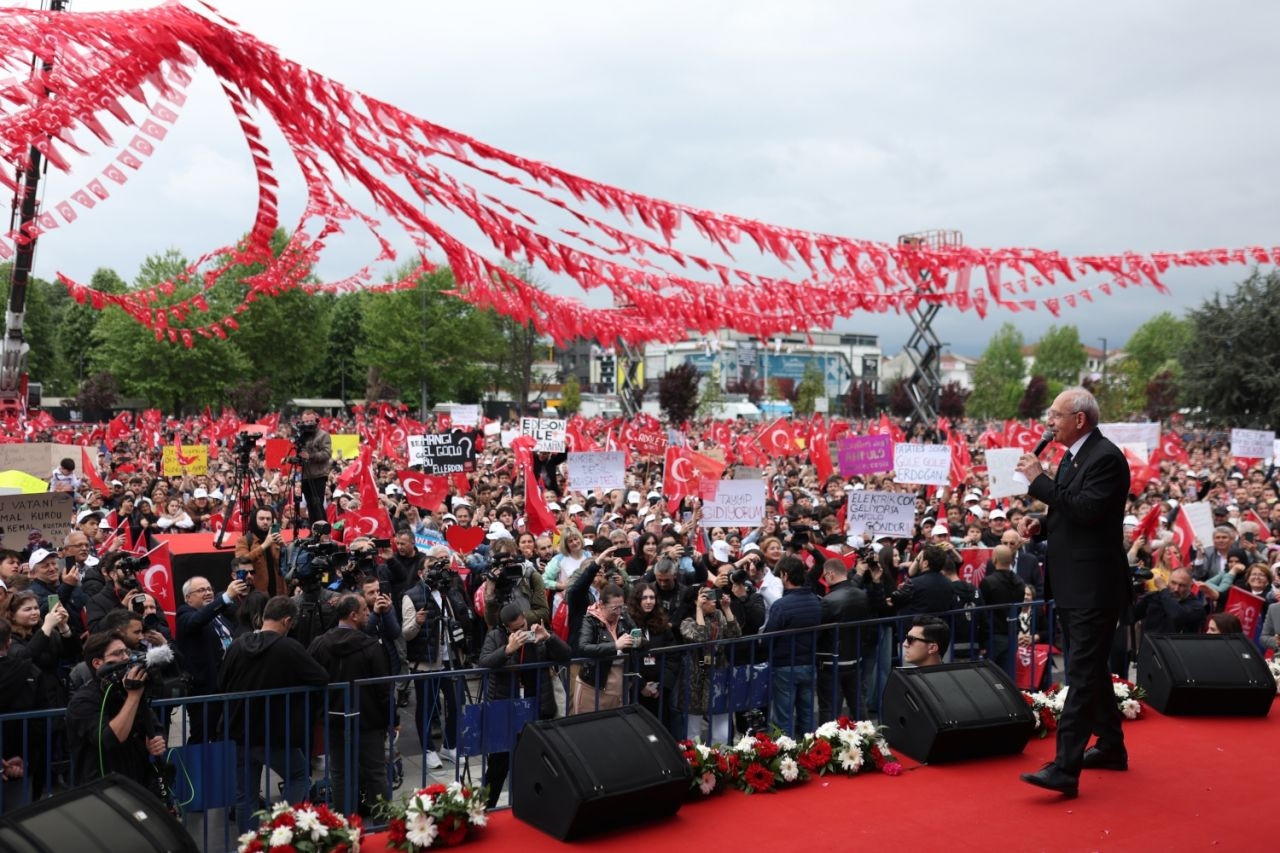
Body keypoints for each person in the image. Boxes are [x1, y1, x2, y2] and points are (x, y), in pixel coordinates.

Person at [1015, 387, 1131, 798]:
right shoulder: (1074, 455)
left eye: (1055, 415)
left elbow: (1087, 510)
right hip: (1072, 582)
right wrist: (1041, 526)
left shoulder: (1106, 458)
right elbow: (1070, 512)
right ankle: (1112, 746)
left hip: (1094, 586)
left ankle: (1065, 768)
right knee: (1092, 669)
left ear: (1079, 419)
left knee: (1079, 674)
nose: (1049, 423)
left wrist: (1038, 481)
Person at [219, 596, 329, 826]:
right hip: (276, 734)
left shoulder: (237, 644)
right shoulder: (288, 647)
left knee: (245, 796)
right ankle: (281, 831)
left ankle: (249, 845)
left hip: (239, 731)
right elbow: (321, 677)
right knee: (298, 776)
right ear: (287, 620)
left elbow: (222, 681)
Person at [477, 602, 570, 808]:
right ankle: (484, 808)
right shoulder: (496, 636)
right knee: (498, 763)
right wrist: (508, 649)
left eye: (523, 625)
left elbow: (566, 655)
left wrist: (549, 638)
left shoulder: (538, 629)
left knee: (536, 761)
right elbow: (483, 663)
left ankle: (535, 806)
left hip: (536, 704)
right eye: (516, 629)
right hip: (506, 708)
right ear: (505, 628)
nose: (522, 631)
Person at [309, 594, 392, 816]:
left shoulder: (319, 644)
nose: (369, 612)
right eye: (365, 609)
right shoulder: (371, 646)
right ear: (353, 615)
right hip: (369, 721)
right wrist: (391, 719)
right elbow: (383, 689)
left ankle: (344, 826)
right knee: (375, 773)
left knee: (340, 774)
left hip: (335, 719)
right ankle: (384, 825)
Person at [65, 631, 165, 792]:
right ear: (98, 663)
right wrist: (133, 697)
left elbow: (154, 725)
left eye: (126, 651)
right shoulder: (83, 701)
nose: (126, 658)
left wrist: (157, 738)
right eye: (118, 653)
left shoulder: (127, 689)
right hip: (101, 790)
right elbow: (110, 739)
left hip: (138, 781)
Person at [401, 547, 472, 770]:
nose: (435, 573)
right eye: (431, 569)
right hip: (425, 661)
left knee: (455, 702)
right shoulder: (411, 595)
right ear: (421, 573)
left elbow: (460, 617)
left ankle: (450, 745)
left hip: (450, 658)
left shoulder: (446, 592)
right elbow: (406, 633)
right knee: (427, 706)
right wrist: (418, 622)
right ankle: (428, 749)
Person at [176, 573, 247, 742]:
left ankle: (221, 768)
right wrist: (225, 597)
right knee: (202, 736)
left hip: (227, 686)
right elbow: (197, 620)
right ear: (188, 598)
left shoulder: (219, 615)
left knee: (223, 735)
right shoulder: (185, 614)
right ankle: (195, 769)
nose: (207, 592)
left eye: (209, 589)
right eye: (201, 590)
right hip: (205, 691)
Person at [761, 556, 822, 737]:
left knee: (783, 718)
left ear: (785, 576)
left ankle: (785, 757)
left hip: (785, 666)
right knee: (807, 714)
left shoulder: (781, 605)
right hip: (808, 663)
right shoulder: (815, 600)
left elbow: (769, 637)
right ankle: (809, 754)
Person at [679, 585, 740, 744]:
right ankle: (695, 763)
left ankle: (719, 763)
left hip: (718, 673)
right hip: (695, 678)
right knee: (693, 731)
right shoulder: (687, 622)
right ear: (696, 600)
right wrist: (699, 609)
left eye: (714, 596)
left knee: (721, 731)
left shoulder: (719, 615)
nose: (713, 600)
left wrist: (727, 609)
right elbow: (701, 637)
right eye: (707, 597)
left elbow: (735, 634)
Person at [817, 557, 876, 723]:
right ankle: (868, 740)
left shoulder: (828, 601)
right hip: (855, 658)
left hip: (831, 660)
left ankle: (826, 745)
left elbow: (820, 632)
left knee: (829, 709)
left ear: (830, 574)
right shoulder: (861, 595)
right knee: (858, 705)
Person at [573, 583, 635, 714]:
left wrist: (639, 641)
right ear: (601, 604)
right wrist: (615, 645)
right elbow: (583, 647)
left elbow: (637, 634)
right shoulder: (590, 620)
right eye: (614, 608)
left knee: (617, 730)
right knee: (590, 729)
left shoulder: (624, 617)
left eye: (621, 607)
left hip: (620, 687)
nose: (618, 612)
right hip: (593, 687)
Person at [979, 545, 1026, 669]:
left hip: (993, 636)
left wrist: (982, 641)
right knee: (1008, 676)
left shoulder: (988, 582)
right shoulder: (1020, 582)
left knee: (992, 676)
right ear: (1011, 560)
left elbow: (982, 612)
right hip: (1011, 633)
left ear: (994, 559)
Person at [1133, 568, 1211, 634]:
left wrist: (1163, 589)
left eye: (1182, 585)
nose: (1176, 589)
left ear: (1190, 587)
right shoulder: (1154, 598)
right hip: (1149, 649)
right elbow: (1130, 617)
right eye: (1173, 583)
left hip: (1177, 650)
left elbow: (1177, 616)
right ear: (1168, 581)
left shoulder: (1196, 606)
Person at [235, 504, 288, 597]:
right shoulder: (244, 540)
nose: (265, 522)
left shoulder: (276, 539)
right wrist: (264, 545)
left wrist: (284, 547)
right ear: (255, 520)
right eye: (261, 518)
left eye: (268, 519)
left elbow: (286, 565)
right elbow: (241, 560)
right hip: (257, 595)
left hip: (279, 593)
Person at [296, 410, 332, 525]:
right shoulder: (302, 436)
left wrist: (310, 456)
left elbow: (327, 454)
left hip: (318, 475)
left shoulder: (323, 435)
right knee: (310, 505)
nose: (308, 424)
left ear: (316, 421)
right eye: (306, 421)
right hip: (305, 475)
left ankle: (323, 530)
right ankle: (313, 530)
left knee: (317, 503)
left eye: (310, 421)